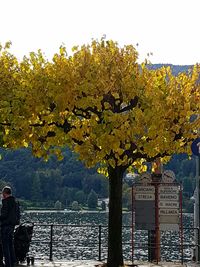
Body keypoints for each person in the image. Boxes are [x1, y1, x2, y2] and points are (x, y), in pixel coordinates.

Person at [0, 186, 18, 267]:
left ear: (4, 193)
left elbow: (4, 215)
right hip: (12, 226)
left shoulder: (5, 202)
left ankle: (7, 264)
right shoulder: (15, 202)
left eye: (2, 193)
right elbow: (17, 215)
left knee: (5, 247)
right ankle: (12, 263)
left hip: (5, 226)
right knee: (11, 246)